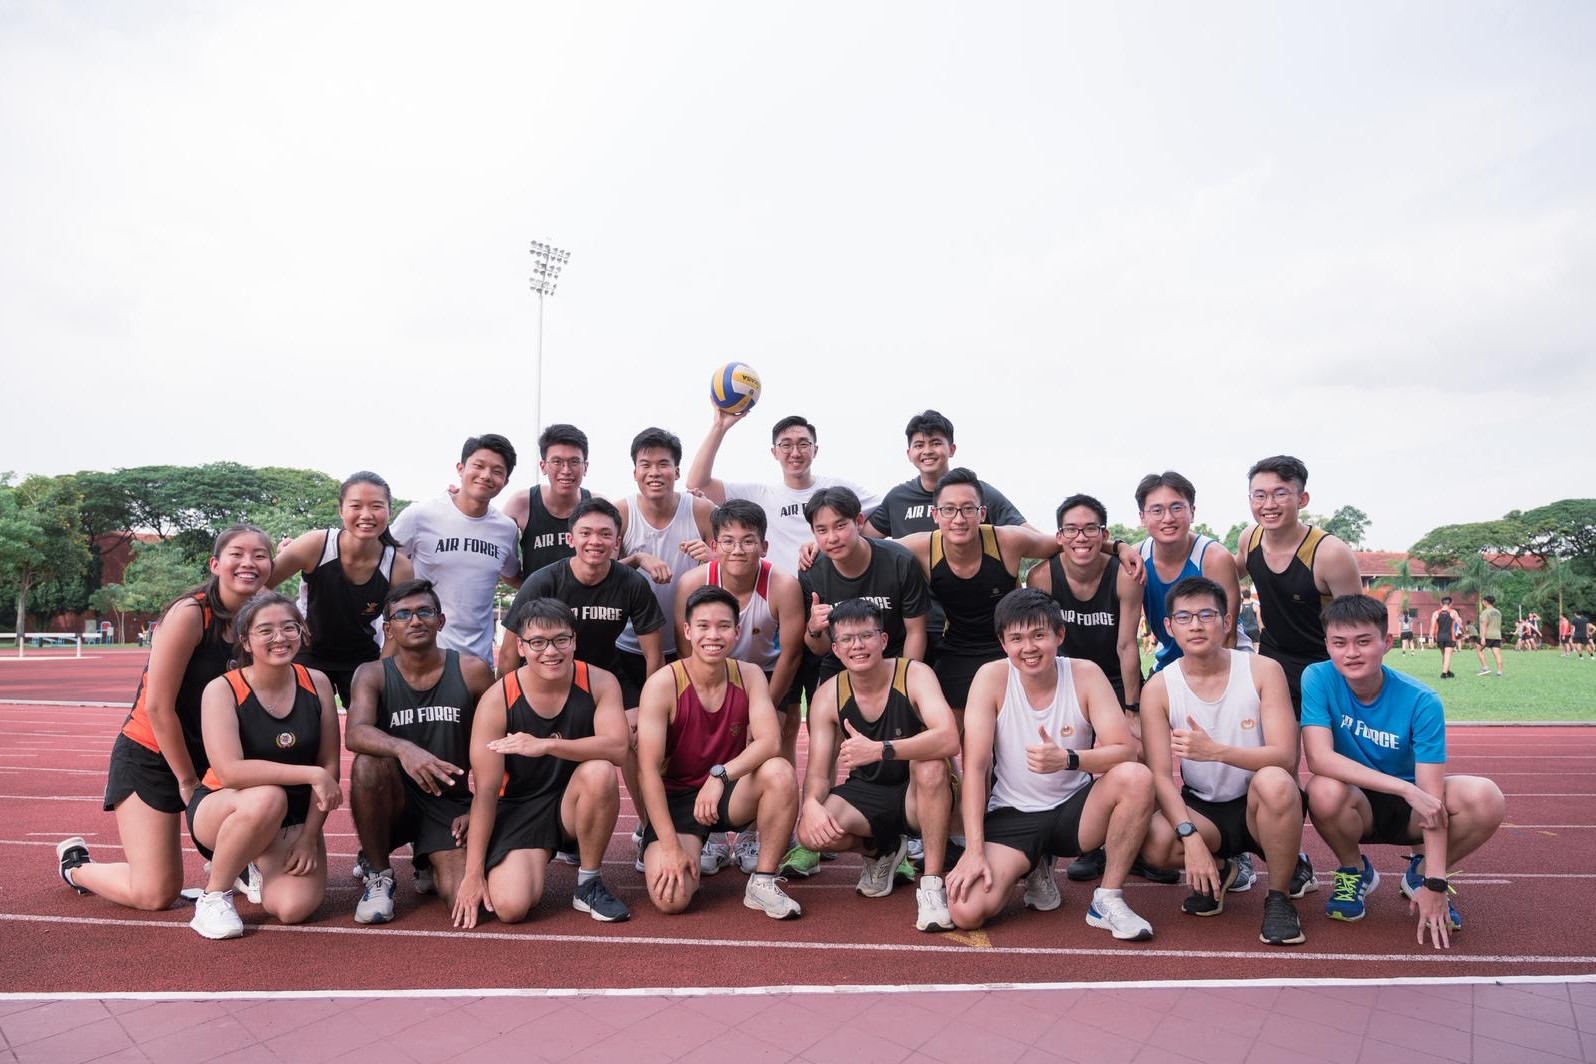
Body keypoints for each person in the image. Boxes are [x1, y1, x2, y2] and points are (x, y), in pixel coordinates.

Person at [58, 526, 275, 913]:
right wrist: (188, 781)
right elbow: (159, 706)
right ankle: (77, 867)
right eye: (237, 554)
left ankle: (235, 862)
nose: (249, 562)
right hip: (152, 753)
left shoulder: (260, 619)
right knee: (156, 894)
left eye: (260, 555)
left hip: (213, 758)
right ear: (215, 563)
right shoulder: (191, 613)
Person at [946, 589, 1158, 941]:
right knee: (967, 912)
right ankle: (1034, 863)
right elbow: (977, 767)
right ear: (1003, 643)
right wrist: (973, 849)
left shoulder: (1085, 674)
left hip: (1073, 812)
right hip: (1013, 812)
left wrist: (1069, 759)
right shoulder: (991, 678)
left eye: (1039, 635)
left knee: (1136, 777)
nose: (1029, 648)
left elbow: (1125, 751)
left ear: (1059, 635)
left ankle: (1107, 898)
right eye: (1017, 638)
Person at [1303, 594, 1506, 946]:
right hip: (1357, 802)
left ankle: (1420, 873)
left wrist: (1436, 882)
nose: (1351, 653)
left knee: (1486, 797)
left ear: (1387, 643)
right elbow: (1319, 758)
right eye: (1339, 643)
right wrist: (1402, 788)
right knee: (1322, 788)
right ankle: (1354, 870)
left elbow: (1429, 797)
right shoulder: (1317, 678)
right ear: (1327, 645)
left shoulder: (1421, 700)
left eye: (1363, 642)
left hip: (1412, 808)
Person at [1137, 577, 1312, 946]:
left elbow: (1284, 755)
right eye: (1183, 617)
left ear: (1227, 621)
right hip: (1205, 808)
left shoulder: (1262, 670)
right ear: (1168, 627)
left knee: (1276, 782)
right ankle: (1222, 870)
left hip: (1260, 804)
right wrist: (1190, 838)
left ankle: (1279, 897)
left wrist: (1217, 751)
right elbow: (1160, 776)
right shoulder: (1159, 688)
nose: (1196, 625)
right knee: (1152, 840)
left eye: (1206, 614)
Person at [451, 598, 631, 927]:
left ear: (574, 640)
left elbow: (618, 748)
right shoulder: (497, 699)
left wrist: (546, 745)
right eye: (538, 642)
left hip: (571, 802)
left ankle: (588, 882)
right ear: (521, 646)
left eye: (561, 639)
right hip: (520, 806)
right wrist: (473, 874)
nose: (551, 651)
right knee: (511, 908)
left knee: (600, 771)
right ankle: (515, 860)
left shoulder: (600, 682)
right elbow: (487, 791)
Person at [635, 586, 803, 919]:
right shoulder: (663, 683)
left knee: (779, 771)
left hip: (727, 791)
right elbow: (647, 771)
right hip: (678, 800)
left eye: (724, 626)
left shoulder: (750, 674)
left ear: (737, 631)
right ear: (687, 631)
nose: (713, 635)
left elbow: (770, 741)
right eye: (703, 626)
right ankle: (679, 846)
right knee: (672, 900)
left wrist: (720, 774)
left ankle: (763, 881)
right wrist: (670, 847)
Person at [184, 593, 342, 939]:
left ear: (302, 632)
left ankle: (250, 862)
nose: (279, 638)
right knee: (268, 797)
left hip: (293, 816)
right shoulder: (222, 689)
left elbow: (330, 763)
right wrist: (310, 774)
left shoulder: (317, 683)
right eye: (266, 630)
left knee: (292, 908)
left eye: (289, 627)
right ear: (246, 640)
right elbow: (230, 772)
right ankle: (214, 897)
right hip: (226, 805)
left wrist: (309, 837)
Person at [797, 599, 961, 931]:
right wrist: (811, 804)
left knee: (930, 765)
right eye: (846, 639)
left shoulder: (914, 674)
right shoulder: (828, 695)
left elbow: (949, 739)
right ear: (836, 648)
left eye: (866, 635)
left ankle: (931, 885)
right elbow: (817, 772)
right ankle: (881, 849)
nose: (857, 645)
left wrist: (881, 750)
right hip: (869, 791)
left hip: (920, 791)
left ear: (883, 640)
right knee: (810, 834)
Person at [343, 580, 493, 923]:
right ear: (388, 628)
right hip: (394, 800)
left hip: (449, 803)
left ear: (440, 620)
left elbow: (496, 743)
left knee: (466, 901)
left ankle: (426, 857)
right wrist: (404, 749)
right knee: (368, 764)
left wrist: (483, 807)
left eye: (425, 611)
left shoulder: (472, 671)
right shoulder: (372, 674)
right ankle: (379, 873)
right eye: (403, 615)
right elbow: (355, 732)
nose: (415, 621)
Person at [673, 500, 806, 876]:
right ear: (713, 545)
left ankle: (754, 831)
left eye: (748, 541)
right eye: (728, 541)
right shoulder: (693, 584)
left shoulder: (782, 585)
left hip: (766, 672)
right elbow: (688, 652)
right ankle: (712, 830)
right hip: (710, 671)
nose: (737, 549)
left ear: (764, 547)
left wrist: (763, 708)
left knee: (773, 736)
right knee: (704, 737)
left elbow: (791, 655)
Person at [894, 469, 1063, 713]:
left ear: (982, 513)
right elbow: (868, 549)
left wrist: (1118, 548)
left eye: (968, 509)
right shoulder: (922, 547)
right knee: (945, 732)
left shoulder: (1008, 541)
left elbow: (1068, 544)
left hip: (1009, 648)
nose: (959, 519)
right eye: (949, 509)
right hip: (957, 649)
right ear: (935, 515)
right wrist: (817, 551)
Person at [268, 471, 413, 707]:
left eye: (376, 506)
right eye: (356, 506)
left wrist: (380, 670)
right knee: (303, 725)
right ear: (341, 510)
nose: (366, 515)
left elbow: (401, 624)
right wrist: (284, 624)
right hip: (307, 650)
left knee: (373, 724)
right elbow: (261, 585)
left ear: (389, 511)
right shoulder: (315, 545)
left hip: (360, 655)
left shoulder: (398, 566)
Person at [1233, 457, 1364, 717]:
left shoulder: (1330, 554)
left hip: (1324, 663)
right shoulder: (1250, 538)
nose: (1268, 505)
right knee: (1276, 755)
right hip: (1274, 659)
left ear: (1302, 499)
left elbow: (1359, 625)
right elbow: (1222, 574)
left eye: (1280, 494)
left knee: (1324, 753)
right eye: (1259, 495)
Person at [686, 408, 882, 574]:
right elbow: (697, 483)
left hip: (832, 590)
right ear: (774, 452)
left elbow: (887, 510)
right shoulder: (760, 495)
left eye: (803, 444)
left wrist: (855, 539)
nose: (795, 453)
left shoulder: (837, 488)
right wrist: (719, 427)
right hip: (781, 597)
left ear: (815, 450)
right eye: (786, 445)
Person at [389, 434, 522, 666]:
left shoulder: (506, 528)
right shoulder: (420, 515)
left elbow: (513, 575)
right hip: (422, 655)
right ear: (461, 468)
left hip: (478, 661)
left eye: (497, 471)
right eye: (478, 466)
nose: (485, 475)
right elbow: (384, 562)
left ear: (506, 481)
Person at [612, 427, 716, 704]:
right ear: (635, 472)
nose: (654, 472)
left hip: (691, 644)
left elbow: (736, 568)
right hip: (628, 644)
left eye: (663, 465)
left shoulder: (702, 511)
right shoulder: (621, 512)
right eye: (645, 465)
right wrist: (636, 559)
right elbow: (602, 577)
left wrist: (713, 560)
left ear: (678, 472)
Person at [1136, 471, 1245, 674]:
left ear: (1192, 512)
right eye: (1157, 510)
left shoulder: (1214, 558)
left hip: (1228, 661)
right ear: (1142, 517)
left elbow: (1228, 637)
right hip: (1171, 662)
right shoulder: (1136, 558)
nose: (1168, 518)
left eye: (1177, 508)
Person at [504, 423, 595, 579]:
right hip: (536, 602)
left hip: (585, 602)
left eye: (574, 462)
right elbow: (502, 562)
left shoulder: (597, 505)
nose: (566, 470)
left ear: (585, 467)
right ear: (543, 466)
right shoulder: (521, 504)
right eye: (557, 462)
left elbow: (611, 564)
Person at [1430, 596, 1462, 678]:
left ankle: (1448, 671)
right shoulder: (1453, 612)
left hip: (1439, 637)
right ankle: (1444, 674)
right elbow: (1460, 624)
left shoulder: (1435, 613)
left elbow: (1432, 626)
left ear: (1441, 603)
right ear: (1451, 604)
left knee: (1444, 655)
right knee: (1448, 655)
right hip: (1449, 637)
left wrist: (1430, 638)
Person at [1475, 595, 1505, 677]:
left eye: (1483, 601)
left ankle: (1485, 668)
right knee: (1497, 653)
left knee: (1479, 649)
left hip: (1488, 635)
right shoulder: (1498, 612)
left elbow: (1484, 625)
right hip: (1497, 635)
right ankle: (1500, 671)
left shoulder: (1485, 612)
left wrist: (1483, 637)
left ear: (1485, 602)